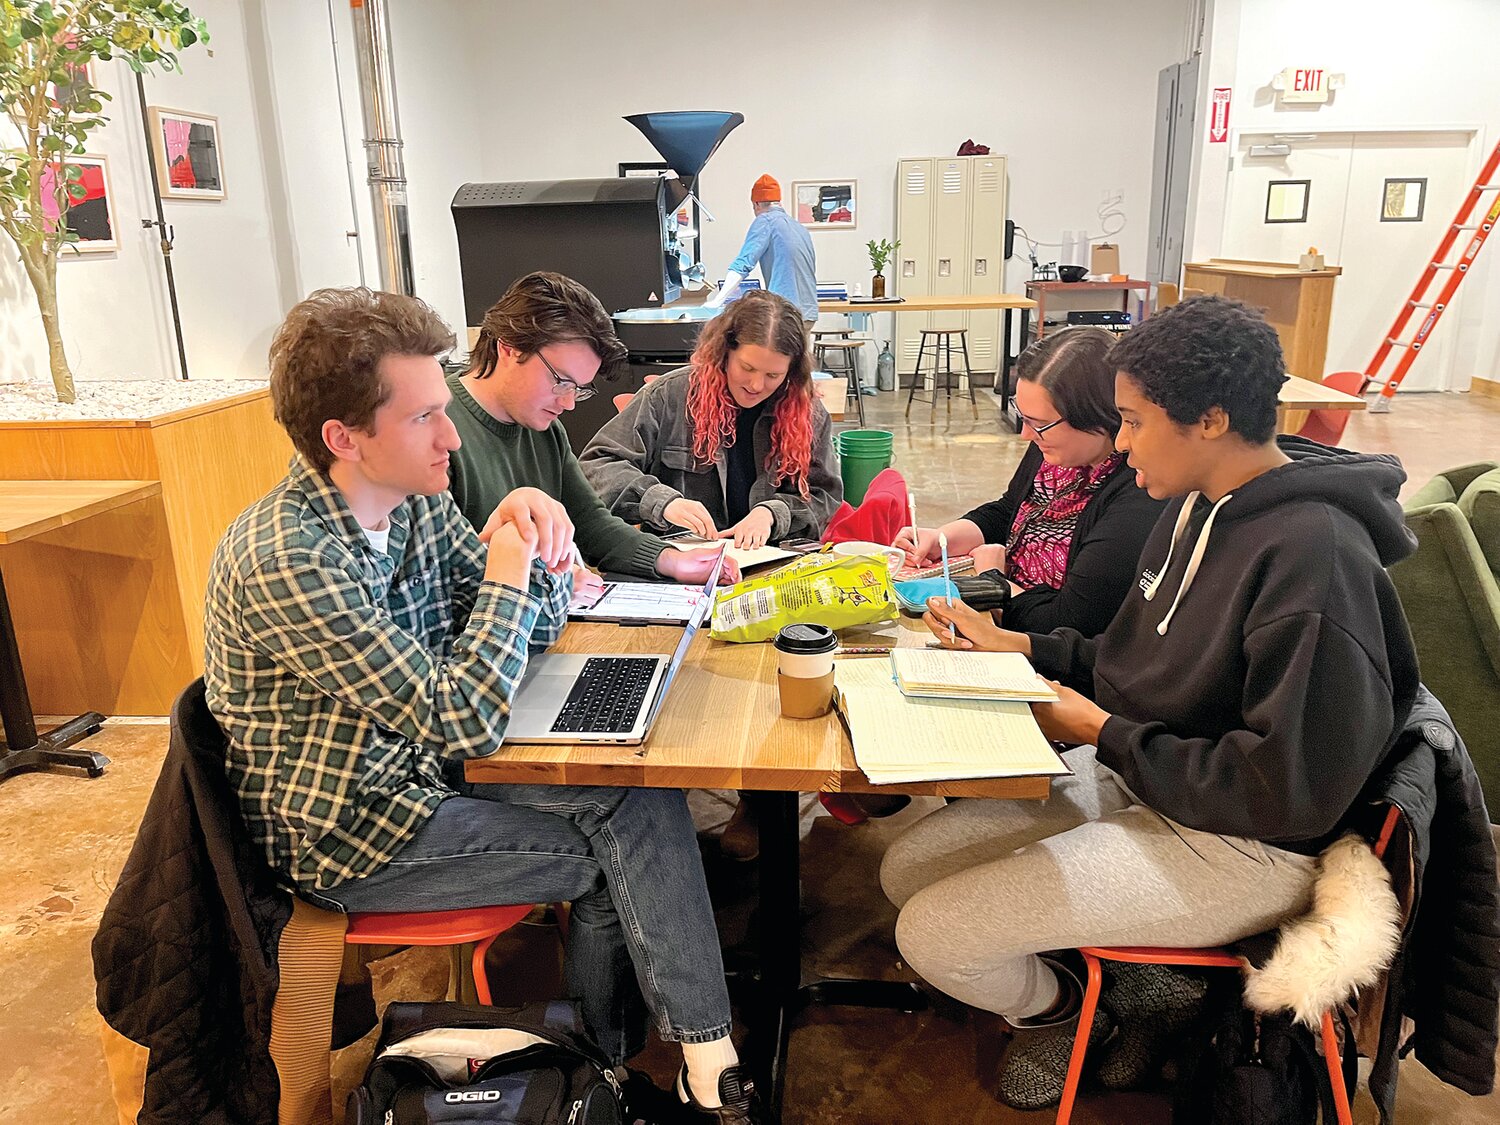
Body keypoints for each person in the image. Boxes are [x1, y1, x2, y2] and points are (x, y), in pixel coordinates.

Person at [203, 288, 768, 1124]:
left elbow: (534, 624)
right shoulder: (290, 559)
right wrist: (510, 566)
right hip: (357, 833)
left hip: (427, 768)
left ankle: (656, 1066)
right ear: (344, 438)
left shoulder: (410, 502)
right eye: (427, 415)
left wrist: (533, 550)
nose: (452, 435)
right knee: (628, 851)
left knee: (642, 803)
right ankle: (647, 1067)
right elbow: (462, 710)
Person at [880, 296, 1420, 1110]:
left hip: (1247, 841)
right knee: (904, 871)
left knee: (931, 933)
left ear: (1207, 418)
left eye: (1131, 420)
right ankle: (1136, 986)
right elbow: (1137, 658)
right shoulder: (1196, 507)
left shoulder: (1315, 560)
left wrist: (1101, 730)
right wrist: (1023, 647)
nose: (1120, 440)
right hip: (1152, 778)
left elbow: (1284, 790)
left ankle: (1076, 1014)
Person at [447, 270, 735, 593]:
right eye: (561, 382)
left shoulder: (545, 430)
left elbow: (591, 525)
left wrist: (671, 560)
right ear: (510, 347)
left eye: (580, 389)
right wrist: (551, 582)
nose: (569, 403)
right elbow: (441, 574)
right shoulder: (437, 430)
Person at [894, 327, 1165, 636]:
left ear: (1099, 417)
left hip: (1040, 649)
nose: (1026, 435)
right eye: (1023, 418)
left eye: (1039, 425)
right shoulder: (1054, 451)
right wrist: (941, 538)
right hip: (1007, 608)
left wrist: (992, 580)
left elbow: (1066, 623)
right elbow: (1009, 510)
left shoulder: (1138, 493)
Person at [580, 288, 841, 551]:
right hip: (682, 563)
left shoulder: (807, 412)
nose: (756, 384)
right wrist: (661, 501)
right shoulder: (669, 397)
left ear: (791, 372)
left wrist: (774, 514)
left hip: (771, 562)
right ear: (724, 352)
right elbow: (597, 466)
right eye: (747, 368)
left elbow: (826, 497)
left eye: (773, 375)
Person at [706, 174, 818, 324]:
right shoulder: (799, 227)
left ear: (756, 204)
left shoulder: (765, 221)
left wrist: (717, 301)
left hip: (784, 315)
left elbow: (743, 264)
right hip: (808, 313)